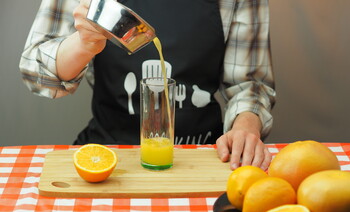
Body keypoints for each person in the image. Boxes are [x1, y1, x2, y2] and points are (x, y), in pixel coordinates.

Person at [19, 0, 276, 170]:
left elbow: (249, 83)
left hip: (203, 157)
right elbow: (36, 72)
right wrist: (82, 44)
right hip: (108, 156)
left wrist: (246, 127)